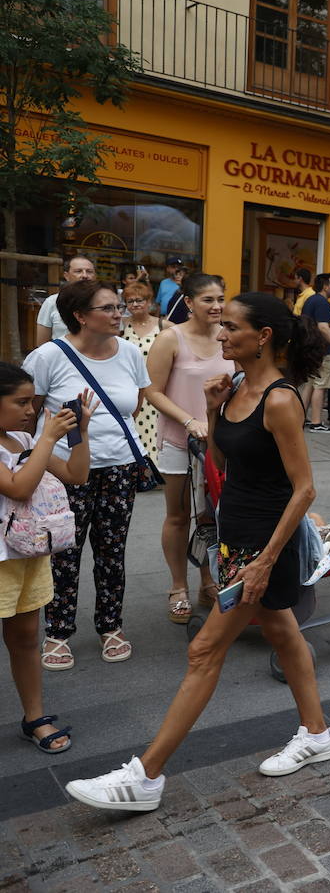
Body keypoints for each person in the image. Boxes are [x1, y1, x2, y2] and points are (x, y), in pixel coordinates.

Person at [65, 293, 330, 812]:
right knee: (282, 629)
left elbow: (304, 490)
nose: (221, 334)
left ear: (263, 337)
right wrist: (213, 409)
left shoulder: (281, 399)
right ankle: (318, 734)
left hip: (264, 545)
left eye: (232, 327)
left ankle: (145, 776)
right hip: (238, 538)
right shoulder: (236, 387)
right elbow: (219, 458)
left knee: (203, 651)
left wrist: (261, 562)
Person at [23, 279, 151, 670]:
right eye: (109, 308)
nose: (119, 314)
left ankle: (111, 626)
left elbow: (136, 402)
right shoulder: (48, 356)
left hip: (119, 467)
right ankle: (58, 632)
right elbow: (27, 412)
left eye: (120, 307)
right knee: (64, 552)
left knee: (112, 552)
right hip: (63, 470)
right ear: (80, 316)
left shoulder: (129, 352)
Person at [0, 368, 92, 754]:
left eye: (32, 400)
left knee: (25, 638)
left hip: (26, 553)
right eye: (20, 402)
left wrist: (78, 434)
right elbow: (18, 488)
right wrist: (47, 438)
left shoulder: (22, 439)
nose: (30, 409)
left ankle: (34, 717)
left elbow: (76, 473)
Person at [144, 274, 233, 620]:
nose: (216, 306)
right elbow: (152, 391)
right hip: (179, 441)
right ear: (190, 302)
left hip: (220, 443)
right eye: (208, 299)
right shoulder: (171, 338)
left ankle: (208, 581)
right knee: (179, 515)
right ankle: (178, 586)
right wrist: (188, 421)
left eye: (220, 298)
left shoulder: (228, 335)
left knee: (213, 516)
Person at [120, 279, 166, 466]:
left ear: (149, 302)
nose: (135, 305)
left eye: (140, 300)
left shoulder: (164, 325)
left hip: (156, 388)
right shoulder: (120, 325)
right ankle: (137, 469)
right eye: (130, 301)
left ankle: (155, 470)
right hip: (129, 388)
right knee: (133, 429)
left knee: (154, 430)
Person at [299, 274, 330, 433]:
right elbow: (323, 327)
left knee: (310, 384)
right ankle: (316, 422)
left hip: (310, 348)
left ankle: (300, 418)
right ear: (325, 286)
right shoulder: (322, 303)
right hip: (321, 350)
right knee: (321, 385)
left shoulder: (311, 300)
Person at [35, 255, 96, 346]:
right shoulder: (52, 302)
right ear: (66, 276)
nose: (84, 275)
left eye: (89, 271)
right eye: (78, 271)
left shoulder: (104, 302)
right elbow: (42, 344)